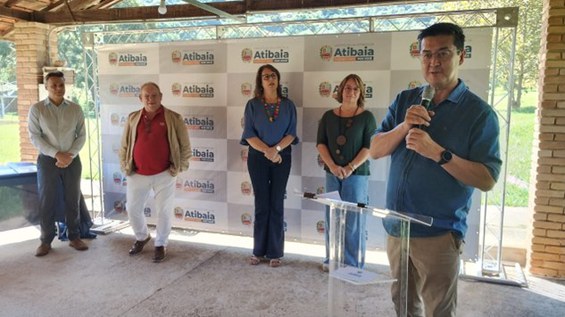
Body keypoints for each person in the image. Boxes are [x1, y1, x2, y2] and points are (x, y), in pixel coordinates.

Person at [370, 23, 502, 316]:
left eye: (443, 53)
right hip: (397, 228)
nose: (434, 62)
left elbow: (487, 179)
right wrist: (404, 126)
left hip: (439, 233)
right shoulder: (406, 100)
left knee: (438, 311)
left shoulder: (479, 114)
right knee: (402, 305)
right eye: (426, 54)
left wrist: (439, 153)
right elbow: (376, 149)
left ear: (461, 56)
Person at [119, 82, 191, 263]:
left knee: (164, 211)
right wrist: (124, 166)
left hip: (164, 174)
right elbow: (125, 145)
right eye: (146, 96)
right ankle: (142, 237)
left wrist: (178, 168)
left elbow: (185, 147)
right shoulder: (133, 118)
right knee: (133, 209)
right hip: (137, 173)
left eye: (154, 95)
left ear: (161, 96)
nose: (150, 99)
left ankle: (160, 244)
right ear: (141, 98)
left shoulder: (173, 118)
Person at [316, 74, 376, 272]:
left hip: (357, 175)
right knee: (331, 216)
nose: (351, 92)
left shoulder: (367, 117)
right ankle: (331, 259)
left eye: (356, 89)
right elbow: (321, 143)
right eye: (348, 88)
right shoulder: (328, 116)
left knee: (354, 220)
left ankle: (352, 263)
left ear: (361, 93)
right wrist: (333, 166)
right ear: (341, 90)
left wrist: (350, 167)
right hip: (332, 173)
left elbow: (369, 146)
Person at [241, 64, 298, 268]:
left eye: (273, 75)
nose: (270, 79)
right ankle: (258, 251)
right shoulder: (253, 105)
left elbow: (292, 134)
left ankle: (275, 252)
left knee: (276, 203)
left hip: (282, 158)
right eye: (265, 76)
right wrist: (268, 151)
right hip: (258, 158)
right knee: (262, 203)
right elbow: (249, 134)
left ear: (278, 79)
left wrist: (277, 150)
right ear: (260, 81)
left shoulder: (289, 105)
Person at [28, 70, 89, 256]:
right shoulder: (37, 109)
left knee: (73, 199)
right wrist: (56, 154)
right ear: (46, 87)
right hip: (48, 160)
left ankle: (74, 237)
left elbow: (82, 135)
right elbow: (34, 137)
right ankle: (46, 241)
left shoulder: (75, 109)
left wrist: (69, 155)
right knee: (47, 200)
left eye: (61, 84)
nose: (58, 88)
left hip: (72, 159)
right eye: (53, 85)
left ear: (65, 86)